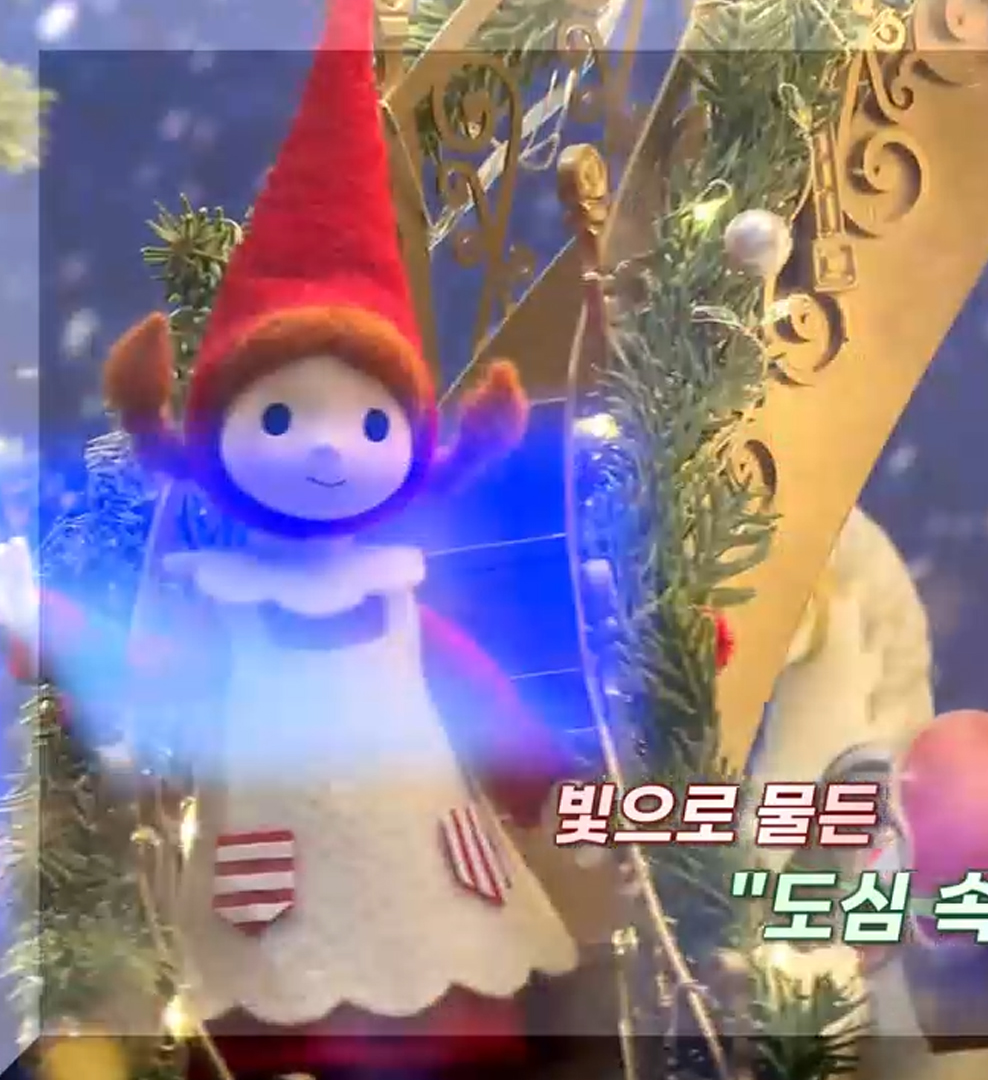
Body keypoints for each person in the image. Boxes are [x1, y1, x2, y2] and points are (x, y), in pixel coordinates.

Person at [99, 0, 578, 1074]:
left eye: (367, 423)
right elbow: (154, 680)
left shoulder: (400, 594)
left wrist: (535, 778)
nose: (325, 448)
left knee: (460, 1031)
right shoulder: (219, 602)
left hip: (433, 904)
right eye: (278, 417)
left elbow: (476, 696)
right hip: (276, 916)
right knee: (278, 1029)